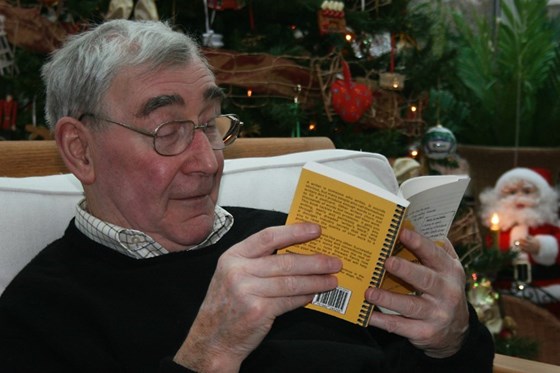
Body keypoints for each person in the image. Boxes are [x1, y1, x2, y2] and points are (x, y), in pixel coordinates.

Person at [0, 19, 493, 372]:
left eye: (210, 125)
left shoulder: (288, 235)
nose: (208, 161)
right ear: (79, 149)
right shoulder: (39, 314)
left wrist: (452, 342)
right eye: (168, 130)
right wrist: (209, 356)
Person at [479, 167, 560, 304]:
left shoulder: (550, 226)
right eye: (511, 192)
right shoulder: (499, 230)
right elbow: (489, 255)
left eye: (527, 191)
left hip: (547, 289)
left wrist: (543, 246)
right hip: (507, 292)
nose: (519, 197)